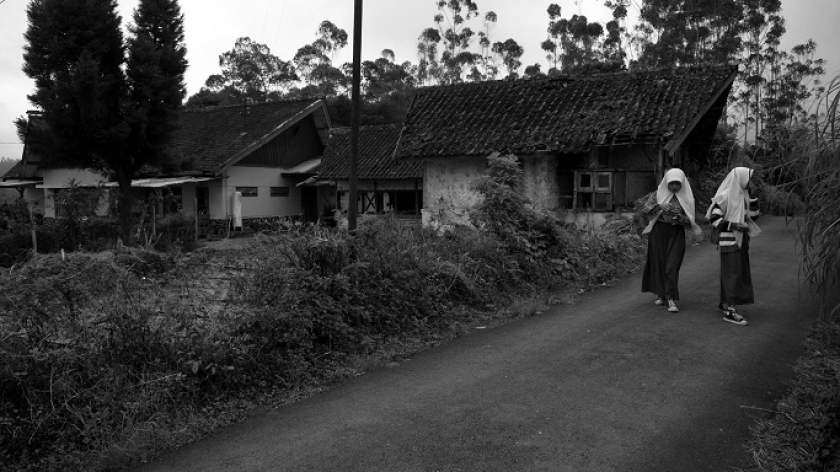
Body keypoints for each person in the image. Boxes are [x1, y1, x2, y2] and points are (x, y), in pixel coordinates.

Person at [705, 167, 761, 326]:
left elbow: (754, 217)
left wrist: (754, 198)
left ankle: (725, 302)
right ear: (740, 179)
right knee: (733, 274)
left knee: (736, 273)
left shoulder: (745, 195)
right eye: (749, 179)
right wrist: (734, 226)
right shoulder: (724, 196)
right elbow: (714, 218)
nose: (751, 182)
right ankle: (730, 310)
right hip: (729, 241)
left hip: (742, 240)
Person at [641, 168, 702, 313]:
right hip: (659, 232)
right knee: (659, 263)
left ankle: (670, 297)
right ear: (666, 182)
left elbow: (692, 221)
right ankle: (661, 293)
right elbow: (644, 211)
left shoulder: (687, 198)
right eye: (671, 183)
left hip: (676, 233)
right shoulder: (658, 195)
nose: (674, 186)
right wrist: (659, 206)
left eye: (677, 183)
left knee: (672, 265)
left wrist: (679, 218)